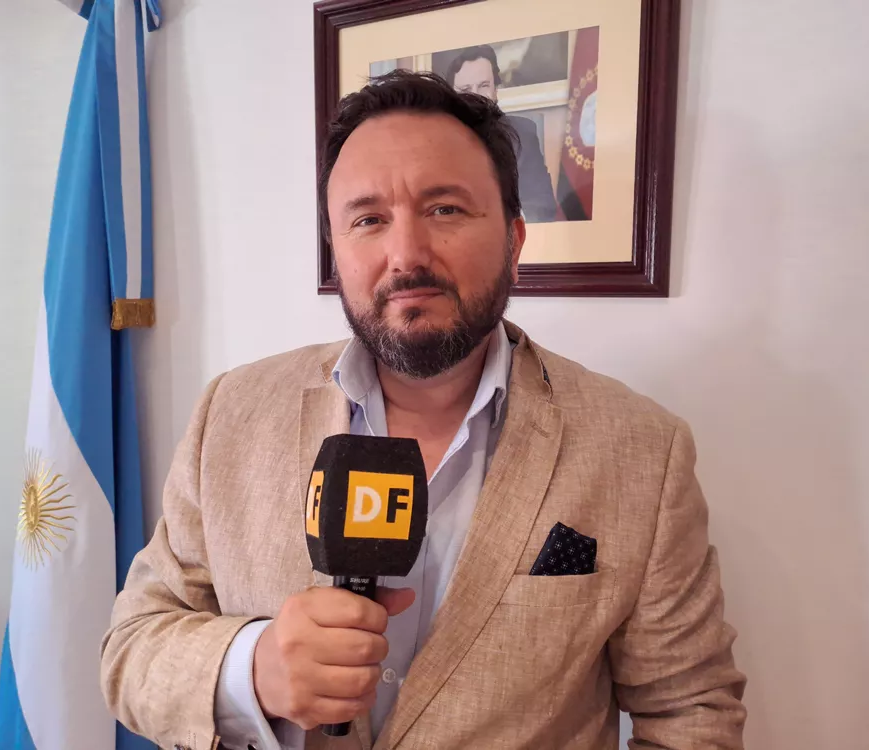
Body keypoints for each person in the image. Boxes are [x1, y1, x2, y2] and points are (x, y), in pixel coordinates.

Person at [100, 71, 746, 750]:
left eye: (445, 210)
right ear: (337, 251)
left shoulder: (642, 449)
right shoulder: (231, 413)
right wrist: (252, 668)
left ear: (514, 242)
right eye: (368, 219)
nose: (406, 255)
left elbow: (690, 711)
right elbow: (132, 648)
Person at [445, 45, 559, 223]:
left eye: (483, 86)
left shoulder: (523, 134)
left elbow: (541, 208)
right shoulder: (436, 141)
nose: (476, 95)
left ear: (495, 90)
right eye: (465, 89)